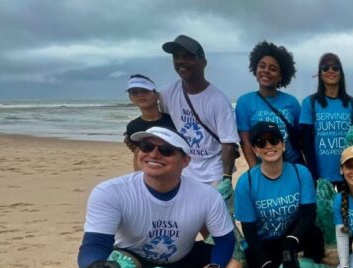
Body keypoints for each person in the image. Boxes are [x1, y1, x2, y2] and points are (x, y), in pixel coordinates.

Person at [77, 126, 241, 268]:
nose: (154, 154)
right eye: (146, 147)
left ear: (185, 161)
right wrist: (93, 266)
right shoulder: (110, 191)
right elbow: (95, 243)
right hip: (134, 261)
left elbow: (225, 241)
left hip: (182, 258)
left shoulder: (207, 195)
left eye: (166, 150)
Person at [234, 121, 325, 268]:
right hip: (265, 242)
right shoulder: (245, 182)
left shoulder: (300, 172)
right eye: (261, 143)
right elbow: (249, 231)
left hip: (291, 236)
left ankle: (307, 264)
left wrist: (291, 241)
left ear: (283, 145)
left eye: (273, 140)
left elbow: (308, 216)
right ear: (255, 150)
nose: (268, 146)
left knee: (315, 235)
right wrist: (265, 263)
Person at [160, 35, 240, 185]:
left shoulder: (218, 101)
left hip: (213, 175)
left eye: (188, 56)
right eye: (176, 57)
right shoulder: (167, 94)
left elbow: (228, 144)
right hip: (181, 171)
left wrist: (226, 178)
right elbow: (163, 125)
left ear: (203, 63)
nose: (180, 61)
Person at [236, 41, 302, 167]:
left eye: (273, 69)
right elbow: (245, 141)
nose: (266, 71)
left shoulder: (292, 102)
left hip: (293, 167)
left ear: (281, 76)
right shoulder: (245, 102)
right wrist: (255, 171)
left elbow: (301, 139)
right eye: (262, 66)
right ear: (255, 69)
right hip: (264, 168)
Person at [299, 53, 353, 185]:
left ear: (341, 73)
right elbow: (306, 142)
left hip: (348, 174)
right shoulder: (309, 103)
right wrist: (313, 173)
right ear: (320, 73)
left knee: (346, 206)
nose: (330, 71)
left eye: (335, 67)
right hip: (320, 176)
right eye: (325, 68)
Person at [123, 74, 175, 171]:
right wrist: (138, 177)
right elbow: (138, 155)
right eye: (134, 92)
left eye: (145, 91)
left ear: (156, 95)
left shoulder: (174, 121)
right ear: (131, 98)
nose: (140, 95)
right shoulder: (133, 126)